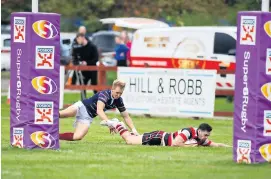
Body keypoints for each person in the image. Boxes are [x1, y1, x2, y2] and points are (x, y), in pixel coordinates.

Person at [59, 79, 139, 141]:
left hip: (88, 117)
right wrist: (109, 122)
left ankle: (54, 136)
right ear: (112, 89)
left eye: (120, 93)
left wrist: (134, 130)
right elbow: (99, 110)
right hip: (82, 107)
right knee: (61, 114)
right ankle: (47, 116)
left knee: (78, 137)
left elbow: (126, 116)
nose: (118, 95)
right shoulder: (105, 94)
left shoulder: (119, 100)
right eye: (117, 92)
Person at [101, 120, 231, 147]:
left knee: (133, 138)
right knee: (129, 141)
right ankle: (117, 123)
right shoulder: (189, 131)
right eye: (205, 135)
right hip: (159, 138)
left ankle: (121, 126)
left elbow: (216, 145)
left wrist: (232, 148)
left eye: (207, 136)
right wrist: (190, 147)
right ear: (199, 131)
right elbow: (175, 144)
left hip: (160, 138)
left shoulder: (200, 139)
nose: (206, 138)